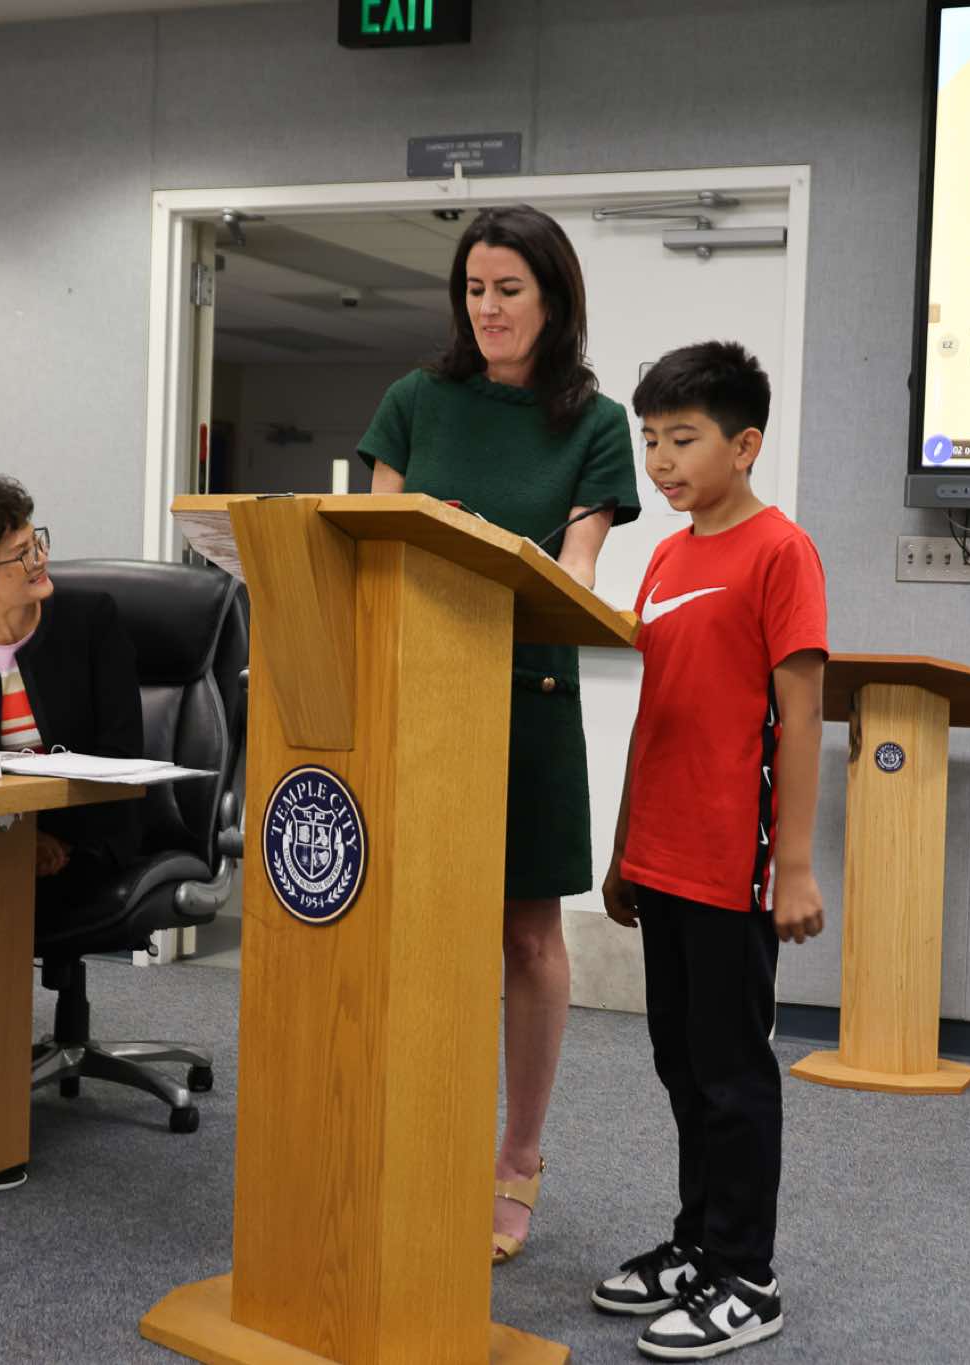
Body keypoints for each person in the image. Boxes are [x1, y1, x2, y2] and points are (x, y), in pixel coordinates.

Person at [356, 203, 641, 1265]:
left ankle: (517, 1155)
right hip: (415, 697)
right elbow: (374, 551)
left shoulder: (597, 422)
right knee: (416, 931)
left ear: (552, 298)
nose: (487, 308)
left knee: (527, 936)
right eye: (473, 289)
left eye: (508, 289)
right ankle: (418, 1141)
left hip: (529, 697)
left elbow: (577, 574)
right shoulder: (413, 401)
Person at [595, 341, 826, 1360]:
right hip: (662, 851)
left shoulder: (781, 552)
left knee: (732, 1074)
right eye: (649, 439)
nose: (660, 460)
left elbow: (802, 717)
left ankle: (747, 1275)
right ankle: (697, 1242)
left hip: (734, 862)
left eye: (681, 439)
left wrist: (796, 866)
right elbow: (656, 716)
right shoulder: (664, 557)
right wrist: (623, 847)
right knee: (679, 1063)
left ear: (744, 444)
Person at [0, 476, 143, 926]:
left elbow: (120, 756)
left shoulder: (92, 621)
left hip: (92, 836)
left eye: (36, 542)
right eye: (21, 554)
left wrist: (46, 838)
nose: (40, 559)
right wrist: (17, 838)